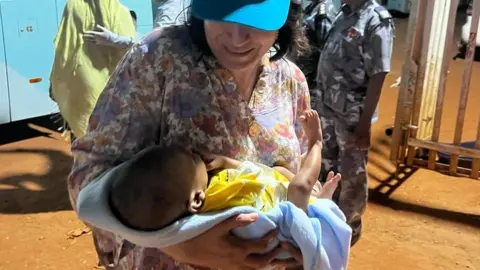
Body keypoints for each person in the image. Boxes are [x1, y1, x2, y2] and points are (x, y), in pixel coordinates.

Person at [67, 0, 333, 268]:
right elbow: (87, 178)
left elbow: (300, 181)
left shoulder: (292, 81)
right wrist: (179, 244)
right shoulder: (158, 59)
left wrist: (307, 234)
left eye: (256, 19)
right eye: (223, 12)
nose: (237, 37)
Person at [109, 110, 342, 231]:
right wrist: (315, 144)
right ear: (197, 199)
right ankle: (317, 148)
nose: (196, 154)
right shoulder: (221, 213)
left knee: (280, 170)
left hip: (276, 192)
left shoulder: (209, 193)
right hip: (292, 214)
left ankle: (319, 201)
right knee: (300, 186)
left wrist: (224, 162)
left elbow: (247, 174)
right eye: (192, 160)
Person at [313, 0, 394, 246]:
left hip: (352, 114)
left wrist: (365, 123)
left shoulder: (376, 19)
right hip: (328, 107)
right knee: (327, 165)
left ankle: (350, 226)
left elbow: (379, 74)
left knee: (351, 173)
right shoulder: (344, 13)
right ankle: (327, 216)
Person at [49, 0, 136, 139]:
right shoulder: (120, 11)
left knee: (82, 136)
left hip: (78, 81)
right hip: (107, 81)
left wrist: (56, 77)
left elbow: (64, 46)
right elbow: (131, 51)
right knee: (109, 137)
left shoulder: (71, 6)